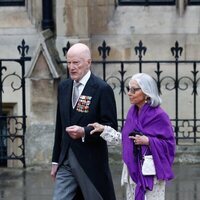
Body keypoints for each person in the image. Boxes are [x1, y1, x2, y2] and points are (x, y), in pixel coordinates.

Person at [89, 73, 176, 200]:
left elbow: (170, 145)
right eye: (128, 89)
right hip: (132, 172)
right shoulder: (132, 113)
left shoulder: (159, 115)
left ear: (146, 92)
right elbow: (126, 140)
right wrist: (104, 130)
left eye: (134, 90)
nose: (129, 93)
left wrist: (149, 141)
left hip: (151, 173)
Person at [50, 43, 118, 200]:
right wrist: (55, 161)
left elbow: (111, 127)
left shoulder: (102, 89)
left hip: (90, 162)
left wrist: (84, 132)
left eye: (76, 62)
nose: (71, 67)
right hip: (66, 160)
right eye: (69, 63)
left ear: (88, 62)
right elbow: (60, 126)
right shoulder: (64, 87)